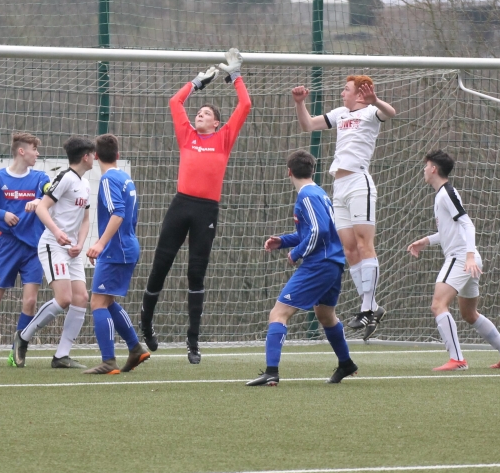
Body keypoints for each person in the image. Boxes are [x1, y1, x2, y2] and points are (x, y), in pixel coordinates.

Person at [140, 49, 252, 364]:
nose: (199, 115)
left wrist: (235, 75)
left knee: (196, 273)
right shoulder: (187, 135)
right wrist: (196, 84)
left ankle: (193, 342)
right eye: (198, 112)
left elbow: (245, 105)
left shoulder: (224, 138)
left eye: (205, 113)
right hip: (181, 206)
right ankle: (146, 324)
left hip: (206, 211)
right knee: (160, 266)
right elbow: (175, 102)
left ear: (216, 122)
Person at [292, 75, 396, 341]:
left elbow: (390, 113)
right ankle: (371, 307)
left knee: (364, 244)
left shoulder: (371, 112)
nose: (342, 93)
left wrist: (375, 100)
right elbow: (308, 125)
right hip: (339, 186)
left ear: (360, 94)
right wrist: (300, 103)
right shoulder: (340, 113)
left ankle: (368, 308)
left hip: (359, 182)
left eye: (346, 89)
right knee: (349, 248)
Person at [247, 150, 358, 386]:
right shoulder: (319, 193)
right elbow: (311, 231)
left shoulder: (307, 196)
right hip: (332, 263)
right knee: (326, 315)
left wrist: (296, 252)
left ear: (289, 172)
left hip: (319, 264)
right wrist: (283, 241)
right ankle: (346, 363)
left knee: (278, 313)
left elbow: (319, 231)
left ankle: (271, 371)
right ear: (313, 171)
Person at [406, 150, 500, 372]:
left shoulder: (446, 193)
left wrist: (468, 257)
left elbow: (468, 225)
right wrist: (426, 241)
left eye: (426, 165)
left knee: (438, 305)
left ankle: (457, 359)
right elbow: (451, 231)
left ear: (433, 169)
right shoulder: (442, 195)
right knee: (469, 314)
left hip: (461, 259)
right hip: (468, 259)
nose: (423, 169)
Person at [0, 133, 50, 367]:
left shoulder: (40, 178)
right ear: (22, 151)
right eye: (34, 149)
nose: (37, 154)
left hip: (33, 248)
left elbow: (51, 191)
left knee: (30, 302)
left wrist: (40, 200)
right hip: (7, 246)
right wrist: (2, 214)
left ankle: (16, 353)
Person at [13, 136, 94, 369]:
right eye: (92, 154)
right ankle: (23, 336)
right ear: (85, 157)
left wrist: (80, 243)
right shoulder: (65, 177)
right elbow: (41, 207)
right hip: (53, 245)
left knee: (81, 298)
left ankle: (61, 356)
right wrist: (57, 233)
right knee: (64, 298)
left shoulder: (86, 184)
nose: (94, 158)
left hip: (72, 249)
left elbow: (85, 219)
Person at [83, 134, 151, 375]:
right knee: (107, 301)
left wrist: (100, 244)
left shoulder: (108, 179)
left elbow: (118, 213)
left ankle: (108, 361)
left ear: (96, 156)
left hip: (115, 250)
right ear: (118, 155)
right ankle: (135, 348)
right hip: (127, 245)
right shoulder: (125, 178)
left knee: (97, 302)